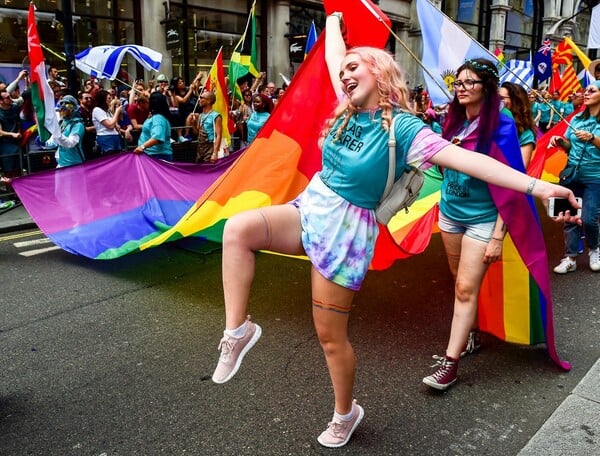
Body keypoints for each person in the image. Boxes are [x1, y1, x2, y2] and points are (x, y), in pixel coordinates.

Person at [210, 13, 578, 449]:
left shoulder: (403, 127)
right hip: (312, 205)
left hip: (346, 232)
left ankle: (345, 413)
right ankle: (238, 332)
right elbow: (332, 55)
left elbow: (473, 162)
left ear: (379, 72)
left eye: (354, 67)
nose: (344, 74)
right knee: (238, 230)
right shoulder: (345, 105)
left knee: (330, 336)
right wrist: (333, 20)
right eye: (343, 70)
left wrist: (538, 186)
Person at [550, 80, 600, 273]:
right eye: (585, 91)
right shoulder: (577, 119)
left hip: (595, 178)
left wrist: (592, 138)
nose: (585, 93)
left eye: (592, 91)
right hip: (571, 175)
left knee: (589, 218)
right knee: (569, 217)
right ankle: (570, 258)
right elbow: (571, 147)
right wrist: (561, 142)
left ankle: (594, 249)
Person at [499, 82, 536, 166]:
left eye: (501, 98)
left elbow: (521, 168)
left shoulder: (526, 134)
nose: (496, 100)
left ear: (515, 102)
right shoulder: (491, 123)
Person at [133, 92, 173, 161]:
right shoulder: (155, 117)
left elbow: (157, 137)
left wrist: (142, 147)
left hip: (157, 156)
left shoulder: (158, 118)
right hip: (152, 155)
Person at [51, 95, 85, 168]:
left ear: (74, 108)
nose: (63, 106)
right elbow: (54, 142)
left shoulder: (78, 125)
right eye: (61, 104)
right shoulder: (61, 123)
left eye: (67, 104)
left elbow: (70, 143)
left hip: (74, 165)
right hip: (61, 163)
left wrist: (57, 134)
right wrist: (44, 143)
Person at [92, 89, 122, 155]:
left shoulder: (108, 111)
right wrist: (117, 112)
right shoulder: (97, 110)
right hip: (106, 138)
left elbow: (114, 123)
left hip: (115, 137)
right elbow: (110, 125)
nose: (111, 100)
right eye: (108, 98)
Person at [195, 91, 222, 163]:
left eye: (201, 98)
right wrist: (192, 124)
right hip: (200, 147)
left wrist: (215, 153)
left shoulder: (216, 116)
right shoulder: (200, 115)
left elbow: (219, 135)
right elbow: (197, 132)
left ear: (209, 101)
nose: (199, 100)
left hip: (210, 147)